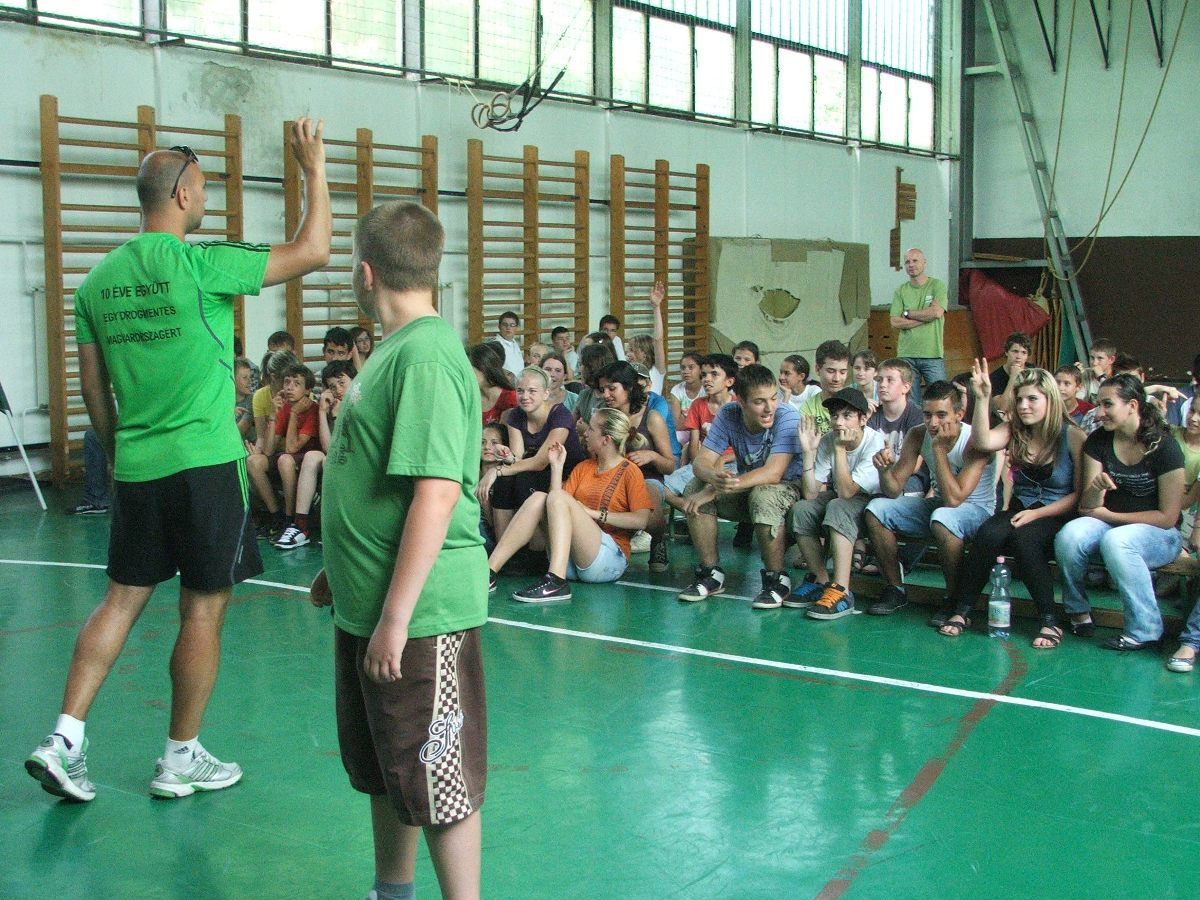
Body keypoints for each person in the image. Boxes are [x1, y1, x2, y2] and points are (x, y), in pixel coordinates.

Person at [25, 119, 330, 803]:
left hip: (138, 466)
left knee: (121, 600)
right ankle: (179, 758)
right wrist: (311, 165)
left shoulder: (97, 283)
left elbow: (93, 395)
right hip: (205, 466)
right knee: (201, 613)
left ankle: (65, 738)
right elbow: (314, 249)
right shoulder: (202, 264)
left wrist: (125, 444)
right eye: (205, 189)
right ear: (185, 196)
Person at [311, 201, 487, 899]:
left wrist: (394, 617)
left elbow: (436, 495)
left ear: (365, 272)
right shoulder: (392, 350)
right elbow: (375, 478)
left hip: (420, 615)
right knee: (390, 767)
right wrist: (344, 565)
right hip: (373, 601)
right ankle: (393, 892)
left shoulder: (428, 356)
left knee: (438, 780)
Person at [938, 364, 1085, 646]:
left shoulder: (1072, 436)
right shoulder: (1014, 429)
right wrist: (982, 399)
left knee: (1025, 540)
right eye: (1020, 400)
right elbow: (983, 440)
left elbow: (1078, 496)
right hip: (1019, 509)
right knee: (988, 533)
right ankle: (963, 610)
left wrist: (1038, 514)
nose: (1024, 406)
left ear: (1050, 401)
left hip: (1055, 512)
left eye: (1032, 399)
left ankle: (1050, 621)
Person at [1054, 374, 1186, 651]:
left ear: (1133, 406)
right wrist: (1096, 489)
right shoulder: (1098, 442)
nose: (1099, 413)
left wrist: (1109, 516)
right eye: (1098, 404)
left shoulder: (1165, 448)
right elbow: (1088, 508)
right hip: (1105, 520)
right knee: (1070, 536)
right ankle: (1077, 610)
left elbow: (1168, 517)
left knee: (1117, 540)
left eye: (1107, 405)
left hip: (1161, 534)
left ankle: (1145, 631)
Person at [863, 381, 999, 619]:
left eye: (941, 415)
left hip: (977, 511)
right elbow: (894, 490)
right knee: (876, 509)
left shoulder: (974, 441)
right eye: (927, 415)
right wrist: (884, 471)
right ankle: (895, 589)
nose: (933, 423)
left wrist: (938, 450)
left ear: (959, 413)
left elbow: (955, 499)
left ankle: (954, 599)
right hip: (941, 507)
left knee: (943, 517)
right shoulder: (918, 434)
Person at [487, 409, 655, 601]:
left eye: (591, 429)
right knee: (539, 498)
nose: (585, 433)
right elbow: (555, 504)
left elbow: (641, 520)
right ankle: (489, 572)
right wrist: (556, 468)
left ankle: (556, 581)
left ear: (606, 439)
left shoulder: (630, 471)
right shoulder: (584, 467)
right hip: (573, 561)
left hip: (608, 560)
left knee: (558, 498)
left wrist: (592, 513)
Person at [676, 364, 804, 608]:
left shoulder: (787, 417)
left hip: (789, 490)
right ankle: (710, 573)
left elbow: (774, 473)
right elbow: (701, 462)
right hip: (747, 487)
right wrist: (714, 478)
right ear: (741, 401)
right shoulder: (728, 413)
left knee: (764, 495)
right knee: (694, 487)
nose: (769, 408)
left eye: (773, 399)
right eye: (759, 402)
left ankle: (777, 578)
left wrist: (715, 489)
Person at [785, 389, 885, 617]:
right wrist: (808, 452)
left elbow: (848, 492)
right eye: (835, 416)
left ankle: (842, 591)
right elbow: (810, 493)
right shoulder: (830, 439)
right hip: (842, 496)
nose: (839, 422)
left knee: (838, 507)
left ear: (862, 419)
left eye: (847, 416)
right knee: (801, 509)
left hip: (872, 503)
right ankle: (820, 580)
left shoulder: (874, 442)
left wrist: (839, 450)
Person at [478, 366, 584, 545]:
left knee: (522, 480)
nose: (525, 396)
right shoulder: (516, 415)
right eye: (520, 391)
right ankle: (505, 549)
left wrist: (497, 470)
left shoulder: (560, 415)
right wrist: (506, 456)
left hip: (564, 472)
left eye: (532, 391)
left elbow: (540, 462)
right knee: (505, 482)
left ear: (545, 393)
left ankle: (536, 550)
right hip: (535, 469)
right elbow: (518, 458)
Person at [596, 360, 676, 571]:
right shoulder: (604, 417)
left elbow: (670, 465)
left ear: (629, 388)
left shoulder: (651, 417)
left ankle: (658, 537)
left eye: (612, 388)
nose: (606, 394)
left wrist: (652, 456)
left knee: (648, 511)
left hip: (646, 478)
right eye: (603, 389)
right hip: (613, 477)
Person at [889, 247, 947, 403]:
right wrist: (925, 316)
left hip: (933, 354)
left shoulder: (937, 286)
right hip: (906, 354)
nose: (911, 264)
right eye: (907, 261)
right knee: (910, 404)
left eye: (915, 260)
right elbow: (894, 321)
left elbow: (936, 313)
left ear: (924, 263)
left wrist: (908, 314)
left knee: (940, 399)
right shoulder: (900, 290)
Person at [624, 281, 669, 395]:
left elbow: (658, 340)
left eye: (632, 350)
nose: (627, 354)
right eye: (628, 350)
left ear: (644, 353)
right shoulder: (627, 372)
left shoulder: (656, 370)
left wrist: (656, 307)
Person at [799, 340, 851, 434]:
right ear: (818, 369)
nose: (837, 378)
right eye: (831, 371)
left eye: (842, 372)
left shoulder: (855, 403)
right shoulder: (808, 408)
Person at [470, 342, 517, 427]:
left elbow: (506, 437)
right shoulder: (471, 396)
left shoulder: (509, 398)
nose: (467, 375)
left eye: (470, 370)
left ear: (485, 368)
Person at [669, 351, 705, 457]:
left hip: (703, 433)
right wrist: (697, 420)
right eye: (683, 368)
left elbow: (706, 423)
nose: (686, 371)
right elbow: (677, 424)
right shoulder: (676, 390)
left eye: (691, 367)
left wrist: (687, 420)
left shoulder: (706, 389)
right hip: (683, 433)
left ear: (701, 369)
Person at [988, 332, 1031, 413]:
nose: (1019, 356)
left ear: (1027, 356)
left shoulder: (1034, 371)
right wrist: (1013, 377)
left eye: (1023, 352)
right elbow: (1002, 409)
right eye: (1015, 351)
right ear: (1006, 352)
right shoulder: (995, 377)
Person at [493, 310, 525, 380]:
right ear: (499, 326)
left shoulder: (514, 343)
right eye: (505, 324)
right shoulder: (495, 345)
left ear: (516, 327)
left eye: (512, 325)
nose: (508, 328)